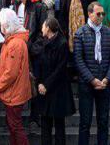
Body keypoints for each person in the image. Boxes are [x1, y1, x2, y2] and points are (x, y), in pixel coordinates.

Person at [73, 1, 110, 145]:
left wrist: (107, 79)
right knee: (85, 123)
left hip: (104, 83)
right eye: (98, 14)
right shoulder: (80, 33)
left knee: (103, 122)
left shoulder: (108, 32)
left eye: (103, 14)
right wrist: (92, 79)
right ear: (89, 14)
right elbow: (78, 60)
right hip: (87, 84)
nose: (101, 16)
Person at [0, 8, 32, 145]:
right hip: (15, 92)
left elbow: (11, 73)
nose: (0, 27)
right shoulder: (14, 41)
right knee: (14, 127)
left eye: (1, 24)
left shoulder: (15, 43)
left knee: (15, 127)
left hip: (14, 93)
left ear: (6, 25)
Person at [36, 17, 75, 145]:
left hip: (58, 90)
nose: (41, 28)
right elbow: (40, 65)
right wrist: (39, 83)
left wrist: (46, 85)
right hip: (44, 90)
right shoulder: (43, 42)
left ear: (48, 28)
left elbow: (60, 69)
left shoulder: (62, 44)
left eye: (43, 26)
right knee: (45, 125)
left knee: (59, 125)